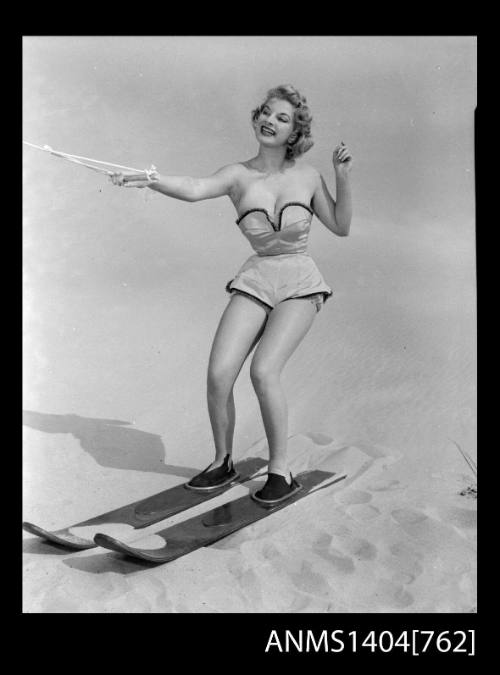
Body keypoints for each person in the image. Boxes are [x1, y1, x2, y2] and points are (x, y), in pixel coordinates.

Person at [111, 84, 353, 505]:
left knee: (263, 371)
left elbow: (341, 225)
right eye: (266, 113)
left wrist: (342, 176)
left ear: (295, 131)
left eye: (282, 118)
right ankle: (222, 462)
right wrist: (150, 180)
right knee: (219, 373)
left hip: (299, 281)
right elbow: (192, 187)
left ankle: (281, 471)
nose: (270, 121)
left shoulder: (308, 176)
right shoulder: (236, 174)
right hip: (256, 278)